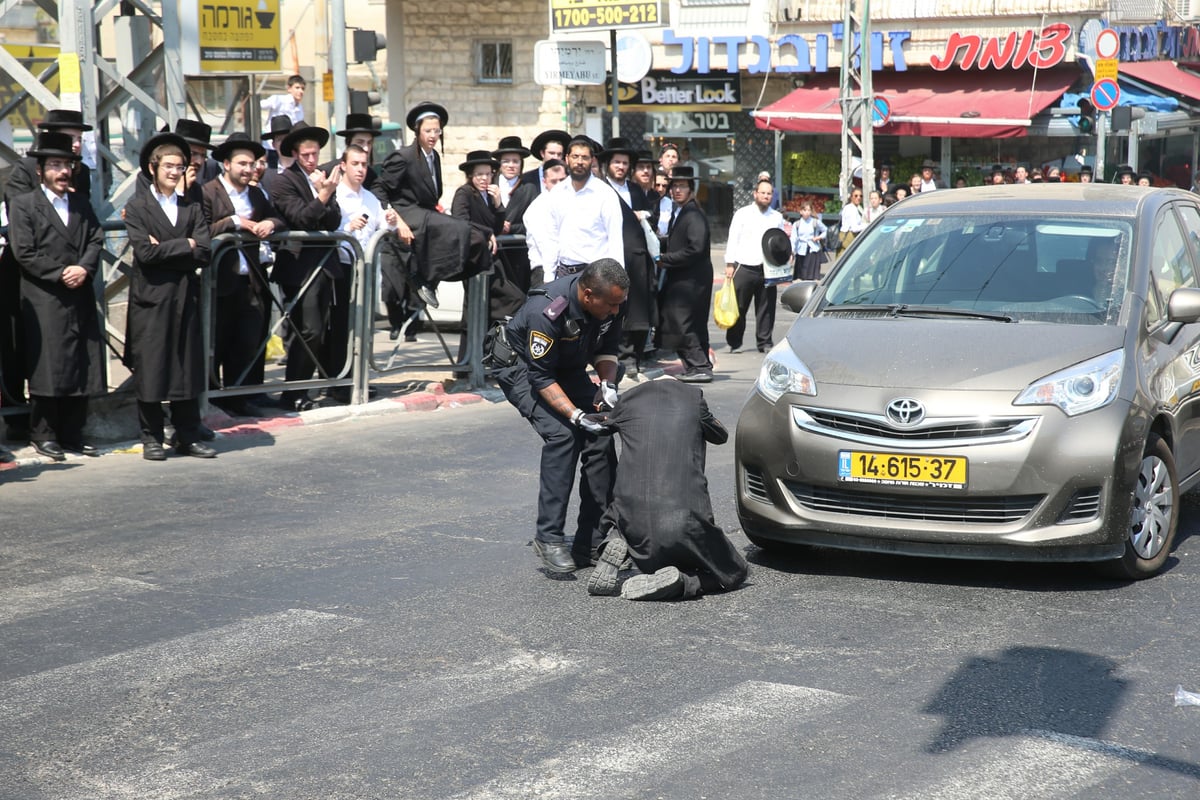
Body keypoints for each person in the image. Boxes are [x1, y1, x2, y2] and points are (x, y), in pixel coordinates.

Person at [495, 259, 628, 573]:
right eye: (609, 305)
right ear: (587, 296)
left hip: (567, 367)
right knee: (563, 435)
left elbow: (607, 350)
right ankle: (549, 537)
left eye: (618, 304)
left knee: (599, 435)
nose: (615, 311)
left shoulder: (613, 299)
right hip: (524, 369)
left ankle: (592, 542)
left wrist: (607, 386)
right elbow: (540, 378)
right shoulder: (547, 310)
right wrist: (576, 415)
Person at [585, 380, 748, 600]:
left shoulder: (626, 404)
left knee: (625, 512)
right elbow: (721, 436)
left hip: (630, 515)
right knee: (735, 572)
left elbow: (596, 424)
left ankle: (615, 540)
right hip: (684, 519)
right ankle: (684, 582)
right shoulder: (693, 400)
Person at [5, 130, 105, 460]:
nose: (63, 171)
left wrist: (84, 269)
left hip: (79, 291)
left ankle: (73, 432)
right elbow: (25, 251)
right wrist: (61, 272)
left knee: (80, 362)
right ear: (40, 170)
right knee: (48, 365)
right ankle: (43, 433)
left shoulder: (79, 202)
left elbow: (95, 238)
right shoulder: (24, 204)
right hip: (44, 293)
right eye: (55, 165)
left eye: (67, 165)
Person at [123, 132, 215, 460]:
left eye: (180, 166)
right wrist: (183, 245)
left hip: (185, 296)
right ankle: (151, 436)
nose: (175, 172)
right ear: (153, 168)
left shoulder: (191, 206)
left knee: (185, 368)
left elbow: (204, 250)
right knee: (152, 367)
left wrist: (169, 247)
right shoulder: (137, 207)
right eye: (169, 166)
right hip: (151, 299)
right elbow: (145, 254)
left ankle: (187, 434)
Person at [200, 132, 285, 416]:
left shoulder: (256, 193)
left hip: (251, 278)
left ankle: (239, 396)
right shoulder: (208, 192)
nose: (248, 169)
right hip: (220, 280)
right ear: (226, 164)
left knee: (247, 340)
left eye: (252, 164)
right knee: (217, 341)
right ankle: (212, 396)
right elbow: (203, 230)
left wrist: (269, 225)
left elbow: (276, 216)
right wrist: (236, 222)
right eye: (242, 164)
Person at [268, 123, 345, 411]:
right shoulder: (284, 181)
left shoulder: (322, 178)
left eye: (315, 154)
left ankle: (303, 388)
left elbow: (333, 220)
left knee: (319, 330)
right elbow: (300, 219)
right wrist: (322, 196)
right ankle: (294, 390)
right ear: (297, 155)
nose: (312, 160)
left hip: (325, 264)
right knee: (307, 330)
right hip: (299, 267)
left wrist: (325, 194)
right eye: (306, 155)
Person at [378, 101, 482, 310]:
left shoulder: (433, 156)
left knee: (468, 232)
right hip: (406, 214)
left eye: (437, 130)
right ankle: (423, 279)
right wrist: (398, 221)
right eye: (428, 131)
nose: (433, 135)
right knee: (457, 229)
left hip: (425, 214)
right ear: (417, 131)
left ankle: (429, 280)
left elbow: (431, 194)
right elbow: (380, 189)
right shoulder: (403, 157)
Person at [600, 136, 657, 376]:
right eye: (617, 162)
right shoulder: (602, 190)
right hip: (615, 258)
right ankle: (623, 357)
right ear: (608, 165)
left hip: (639, 259)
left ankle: (637, 355)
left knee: (641, 311)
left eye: (624, 163)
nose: (621, 167)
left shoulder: (635, 189)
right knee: (617, 308)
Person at [658, 166, 713, 382]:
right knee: (692, 323)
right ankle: (696, 366)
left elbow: (696, 248)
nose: (677, 190)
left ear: (691, 189)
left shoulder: (693, 214)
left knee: (682, 322)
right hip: (686, 278)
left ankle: (699, 365)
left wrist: (665, 259)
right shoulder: (682, 212)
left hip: (692, 280)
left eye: (682, 186)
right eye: (675, 186)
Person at [542, 135, 625, 277]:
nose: (579, 162)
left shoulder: (605, 194)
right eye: (575, 156)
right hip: (564, 273)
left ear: (592, 160)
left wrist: (617, 279)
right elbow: (551, 238)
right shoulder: (556, 193)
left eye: (584, 157)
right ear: (567, 159)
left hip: (596, 274)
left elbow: (615, 240)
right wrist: (549, 276)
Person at [724, 178, 785, 354]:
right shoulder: (743, 213)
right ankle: (734, 342)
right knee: (739, 307)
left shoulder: (776, 217)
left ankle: (764, 342)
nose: (766, 196)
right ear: (755, 194)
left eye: (769, 193)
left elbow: (780, 241)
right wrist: (730, 263)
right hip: (744, 266)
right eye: (763, 192)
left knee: (766, 308)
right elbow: (733, 237)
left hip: (767, 268)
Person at [451, 150, 514, 321]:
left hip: (491, 258)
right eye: (479, 174)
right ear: (471, 175)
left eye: (487, 174)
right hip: (474, 257)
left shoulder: (489, 195)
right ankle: (472, 346)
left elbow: (498, 227)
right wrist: (486, 233)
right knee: (475, 309)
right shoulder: (464, 193)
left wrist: (499, 204)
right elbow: (460, 221)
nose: (484, 178)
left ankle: (483, 344)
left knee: (504, 302)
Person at [522, 158, 568, 289]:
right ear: (545, 182)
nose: (559, 185)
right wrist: (549, 276)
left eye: (562, 180)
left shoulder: (570, 202)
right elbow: (546, 245)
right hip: (544, 271)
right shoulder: (538, 208)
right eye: (554, 181)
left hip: (565, 268)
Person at [789, 201, 826, 281]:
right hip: (801, 251)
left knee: (812, 276)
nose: (807, 212)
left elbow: (826, 231)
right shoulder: (797, 224)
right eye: (805, 210)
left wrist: (818, 237)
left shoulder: (815, 222)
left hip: (813, 249)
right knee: (800, 275)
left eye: (809, 210)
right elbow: (793, 238)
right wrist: (792, 252)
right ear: (801, 211)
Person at [492, 135, 530, 209]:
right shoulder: (489, 183)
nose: (511, 165)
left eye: (515, 161)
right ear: (499, 163)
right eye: (506, 161)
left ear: (521, 164)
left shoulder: (528, 187)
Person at [259, 114, 294, 179]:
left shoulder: (305, 169)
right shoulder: (266, 177)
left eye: (287, 138)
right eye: (280, 139)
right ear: (273, 144)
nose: (284, 142)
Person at [839, 188, 866, 253]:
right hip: (848, 236)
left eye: (860, 196)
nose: (858, 198)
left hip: (845, 235)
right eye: (856, 196)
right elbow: (854, 228)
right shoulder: (852, 209)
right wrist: (867, 225)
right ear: (851, 197)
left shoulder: (850, 207)